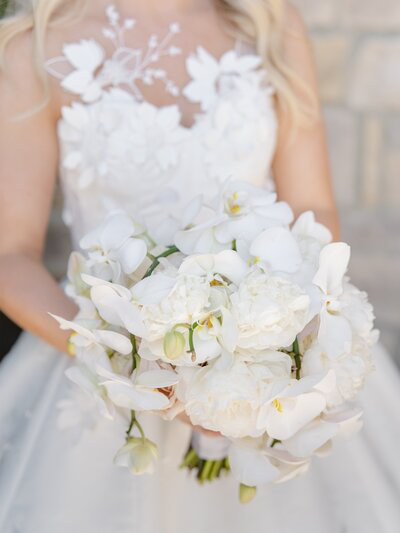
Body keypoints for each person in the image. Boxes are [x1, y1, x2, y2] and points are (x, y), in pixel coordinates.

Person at [0, 1, 399, 532]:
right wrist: (130, 365)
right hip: (104, 367)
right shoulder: (35, 47)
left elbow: (314, 208)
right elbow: (9, 257)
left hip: (262, 358)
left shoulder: (271, 27)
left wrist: (276, 346)